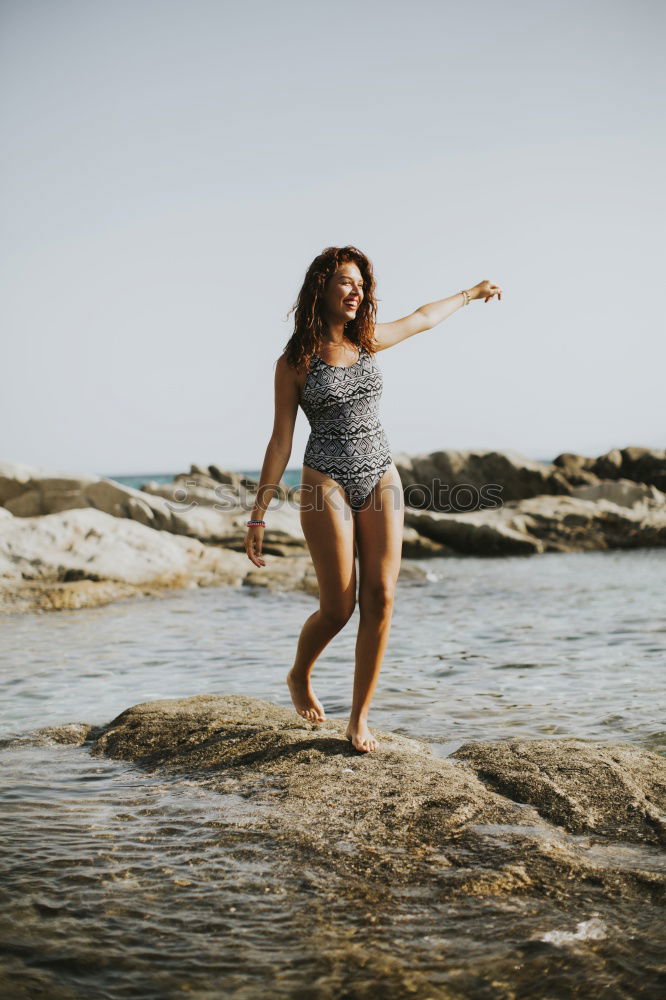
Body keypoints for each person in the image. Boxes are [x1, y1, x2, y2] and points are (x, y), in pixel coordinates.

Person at [244, 246, 502, 752]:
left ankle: (359, 718)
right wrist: (257, 516)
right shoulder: (294, 362)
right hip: (327, 481)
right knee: (338, 607)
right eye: (345, 281)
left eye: (361, 282)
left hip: (380, 473)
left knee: (381, 597)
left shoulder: (369, 342)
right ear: (321, 288)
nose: (357, 290)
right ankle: (300, 673)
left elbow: (424, 317)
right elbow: (280, 441)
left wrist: (471, 293)